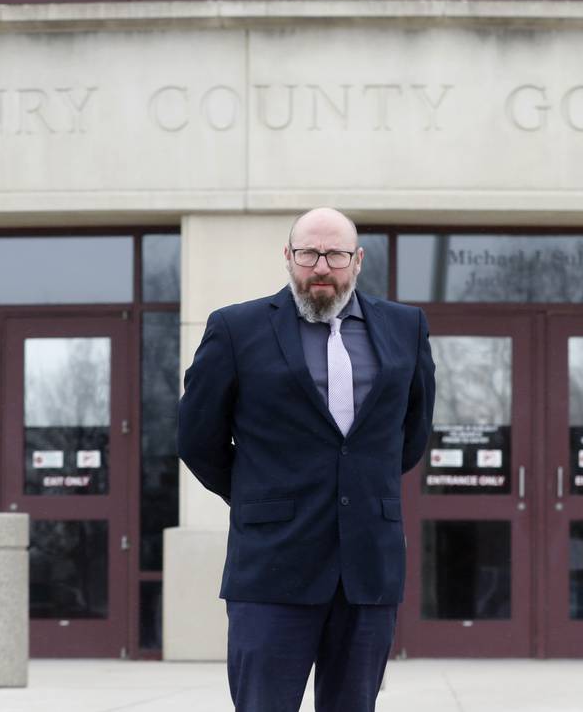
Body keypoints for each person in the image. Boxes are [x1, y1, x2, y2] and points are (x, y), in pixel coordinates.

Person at [178, 207, 436, 712]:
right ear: (288, 257)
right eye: (308, 253)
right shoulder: (236, 328)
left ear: (357, 260)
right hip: (272, 567)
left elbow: (410, 435)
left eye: (335, 254)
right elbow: (197, 438)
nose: (321, 266)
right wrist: (257, 495)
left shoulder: (405, 328)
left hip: (368, 568)